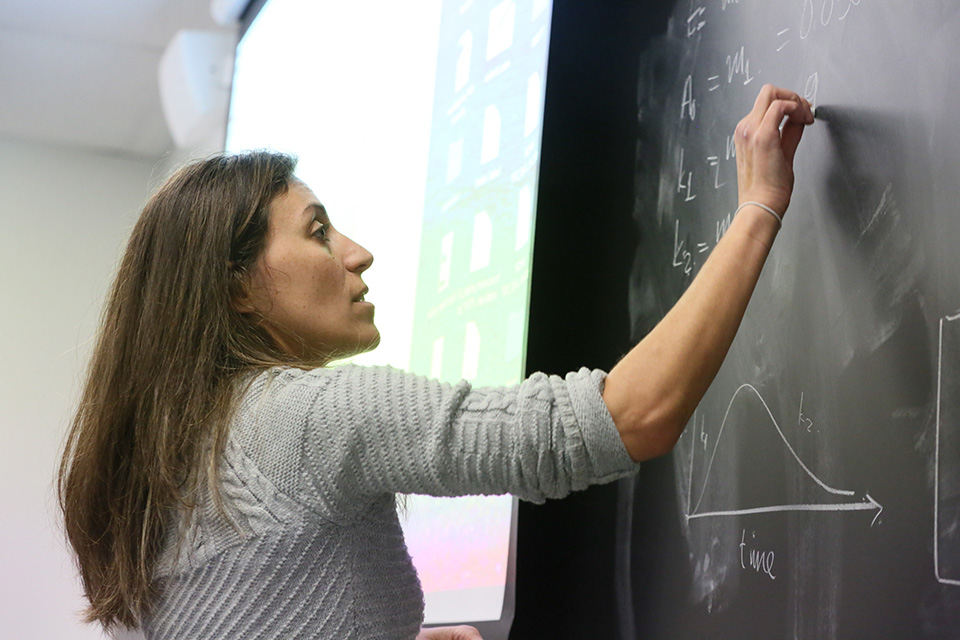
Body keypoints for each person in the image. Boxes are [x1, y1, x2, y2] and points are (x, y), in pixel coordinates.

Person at [58, 85, 814, 639]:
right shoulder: (302, 421)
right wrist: (758, 208)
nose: (358, 252)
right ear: (239, 290)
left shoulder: (158, 471)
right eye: (318, 231)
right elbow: (630, 417)